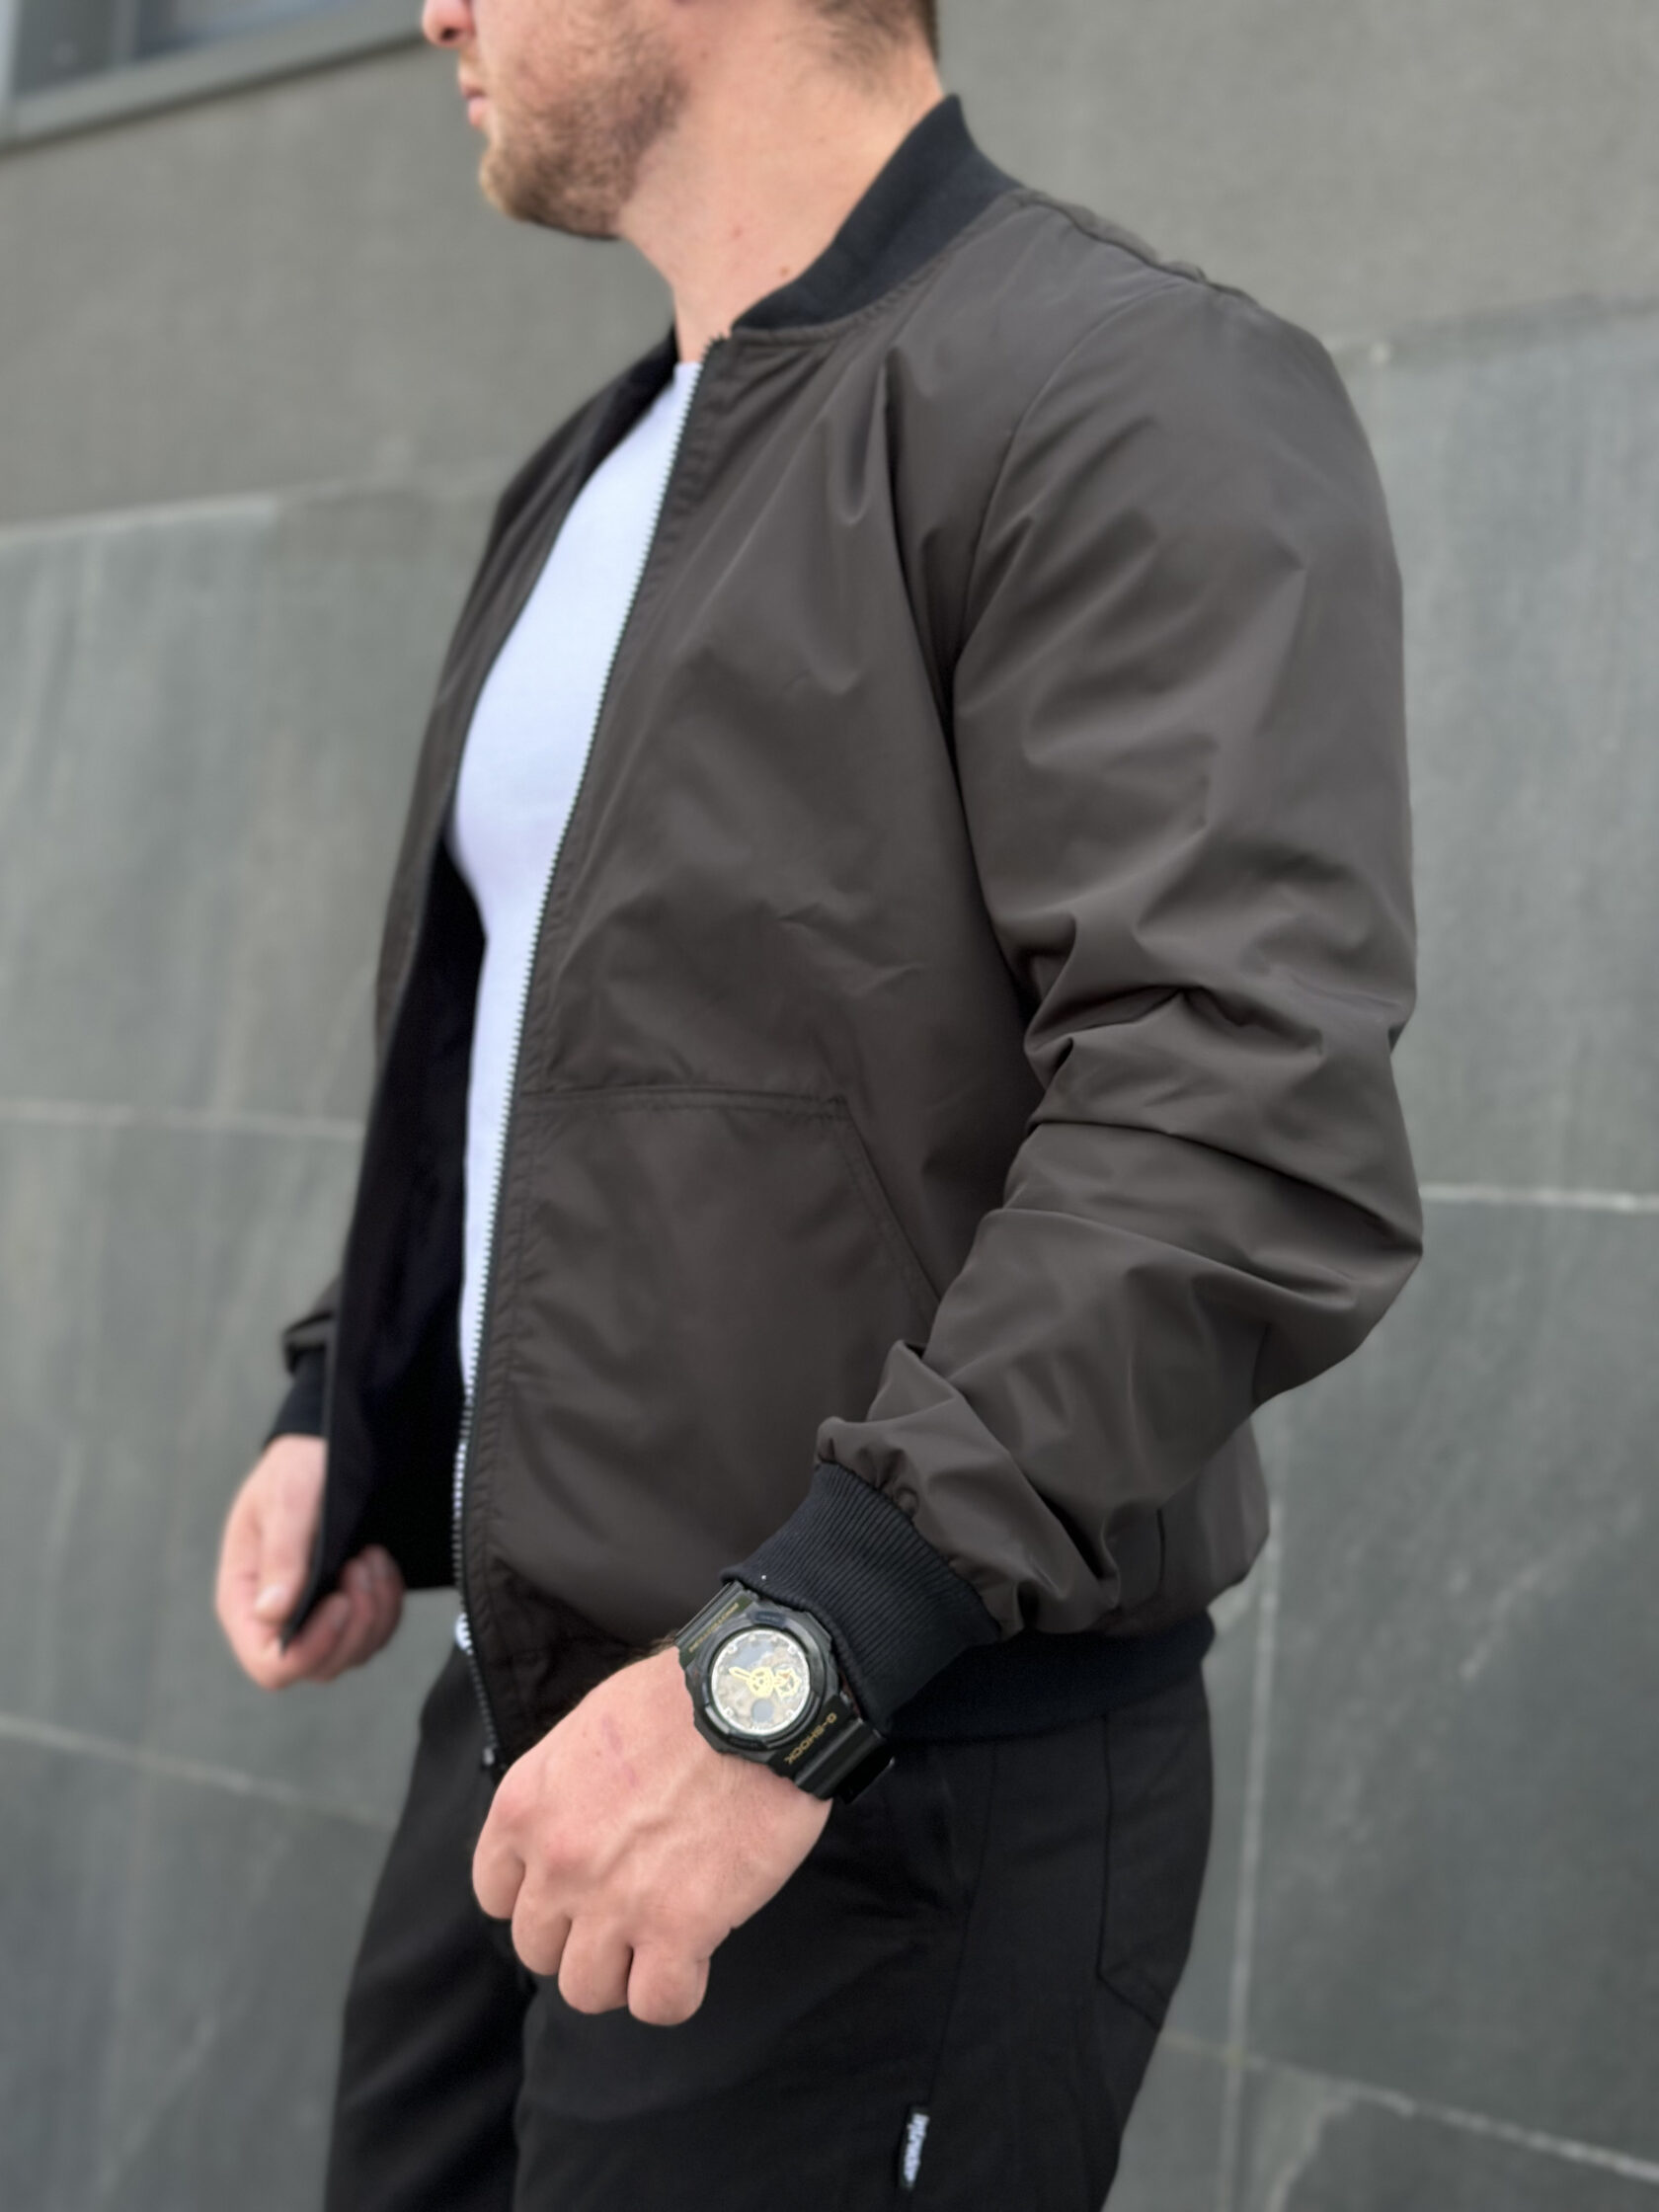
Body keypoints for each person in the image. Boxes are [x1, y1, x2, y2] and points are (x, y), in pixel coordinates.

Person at [213, 1, 1421, 2204]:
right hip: (530, 1745)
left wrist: (794, 1669)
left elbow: (1236, 1119)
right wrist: (351, 1398)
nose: (434, 9)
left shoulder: (1123, 388)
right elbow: (561, 1044)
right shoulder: (597, 466)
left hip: (873, 1776)